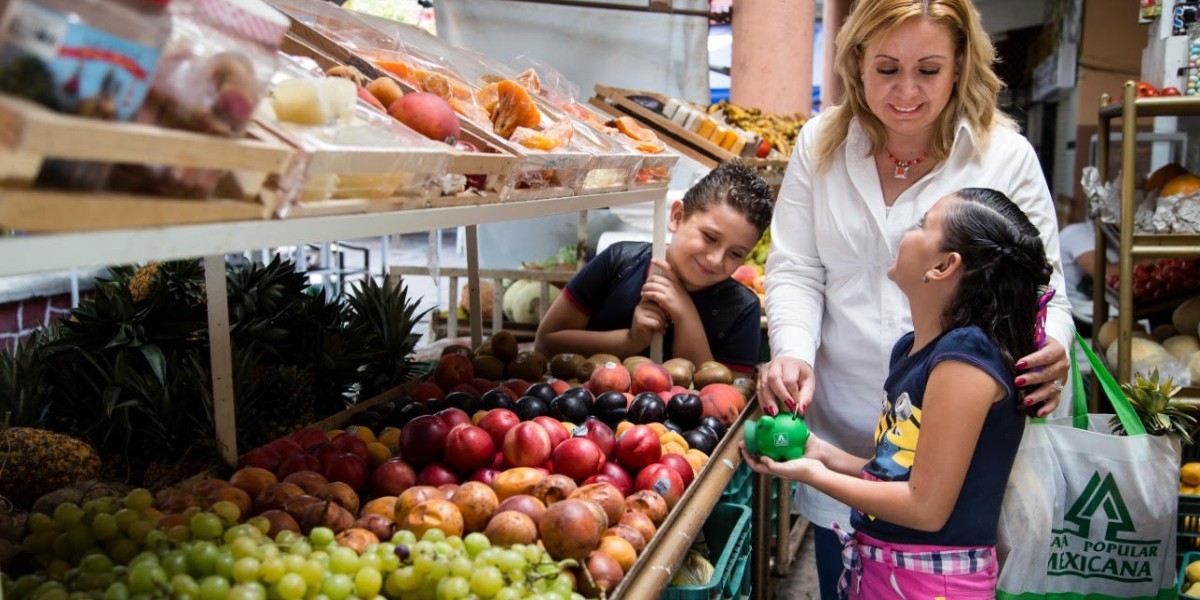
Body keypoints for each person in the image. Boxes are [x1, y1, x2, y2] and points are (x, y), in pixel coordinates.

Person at [755, 1, 1074, 597]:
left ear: (960, 65)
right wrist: (792, 351)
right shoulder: (822, 143)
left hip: (960, 458)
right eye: (886, 68)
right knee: (849, 575)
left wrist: (1051, 345)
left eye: (928, 69)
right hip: (846, 431)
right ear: (855, 61)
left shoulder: (1002, 155)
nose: (906, 91)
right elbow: (796, 266)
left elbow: (1044, 285)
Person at [745, 187, 1053, 598]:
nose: (907, 232)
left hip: (932, 582)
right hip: (886, 569)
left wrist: (814, 476)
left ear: (944, 266)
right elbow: (896, 472)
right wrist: (824, 454)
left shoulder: (965, 360)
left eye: (923, 224)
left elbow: (924, 507)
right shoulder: (913, 350)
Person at [535, 160, 773, 372]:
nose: (715, 259)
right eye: (710, 237)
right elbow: (547, 342)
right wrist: (631, 340)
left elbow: (728, 398)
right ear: (677, 217)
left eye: (735, 253)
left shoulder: (743, 308)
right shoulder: (619, 261)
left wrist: (685, 313)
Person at [1059, 221, 1119, 337]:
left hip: (1105, 313)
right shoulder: (1077, 234)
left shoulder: (1116, 239)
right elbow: (1106, 273)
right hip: (1077, 316)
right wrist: (1149, 263)